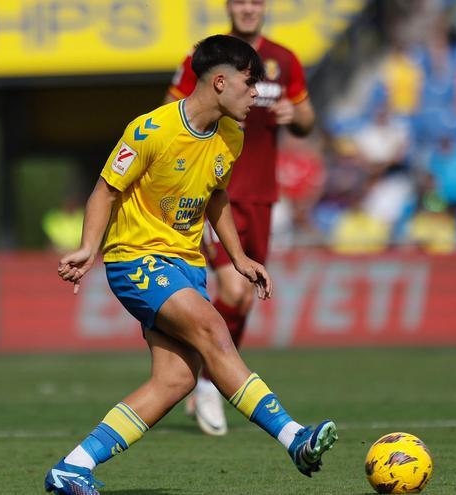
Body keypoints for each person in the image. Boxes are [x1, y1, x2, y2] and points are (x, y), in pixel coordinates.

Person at [46, 35, 337, 495]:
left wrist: (239, 257)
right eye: (249, 84)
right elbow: (106, 189)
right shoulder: (150, 130)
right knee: (214, 331)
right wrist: (88, 247)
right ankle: (294, 437)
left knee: (176, 379)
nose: (256, 94)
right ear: (219, 82)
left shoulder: (231, 135)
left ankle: (72, 467)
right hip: (137, 259)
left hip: (187, 265)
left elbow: (216, 195)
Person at [164, 0, 315, 436]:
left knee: (247, 294)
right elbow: (172, 114)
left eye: (255, 1)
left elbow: (307, 118)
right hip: (214, 194)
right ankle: (207, 380)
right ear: (229, 7)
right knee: (232, 285)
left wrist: (295, 114)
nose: (248, 9)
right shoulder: (208, 60)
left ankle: (208, 375)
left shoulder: (284, 60)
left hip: (262, 196)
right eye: (240, 1)